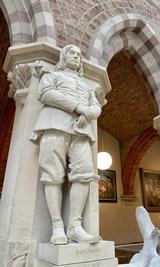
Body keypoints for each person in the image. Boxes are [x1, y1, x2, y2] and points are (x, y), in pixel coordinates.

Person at [30, 45, 102, 245]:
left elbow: (96, 106)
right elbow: (45, 94)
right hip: (54, 126)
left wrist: (89, 113)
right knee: (52, 176)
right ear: (63, 57)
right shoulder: (51, 76)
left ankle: (75, 227)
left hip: (81, 132)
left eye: (79, 55)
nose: (77, 57)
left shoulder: (86, 87)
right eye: (73, 53)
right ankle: (56, 227)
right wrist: (78, 108)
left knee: (84, 174)